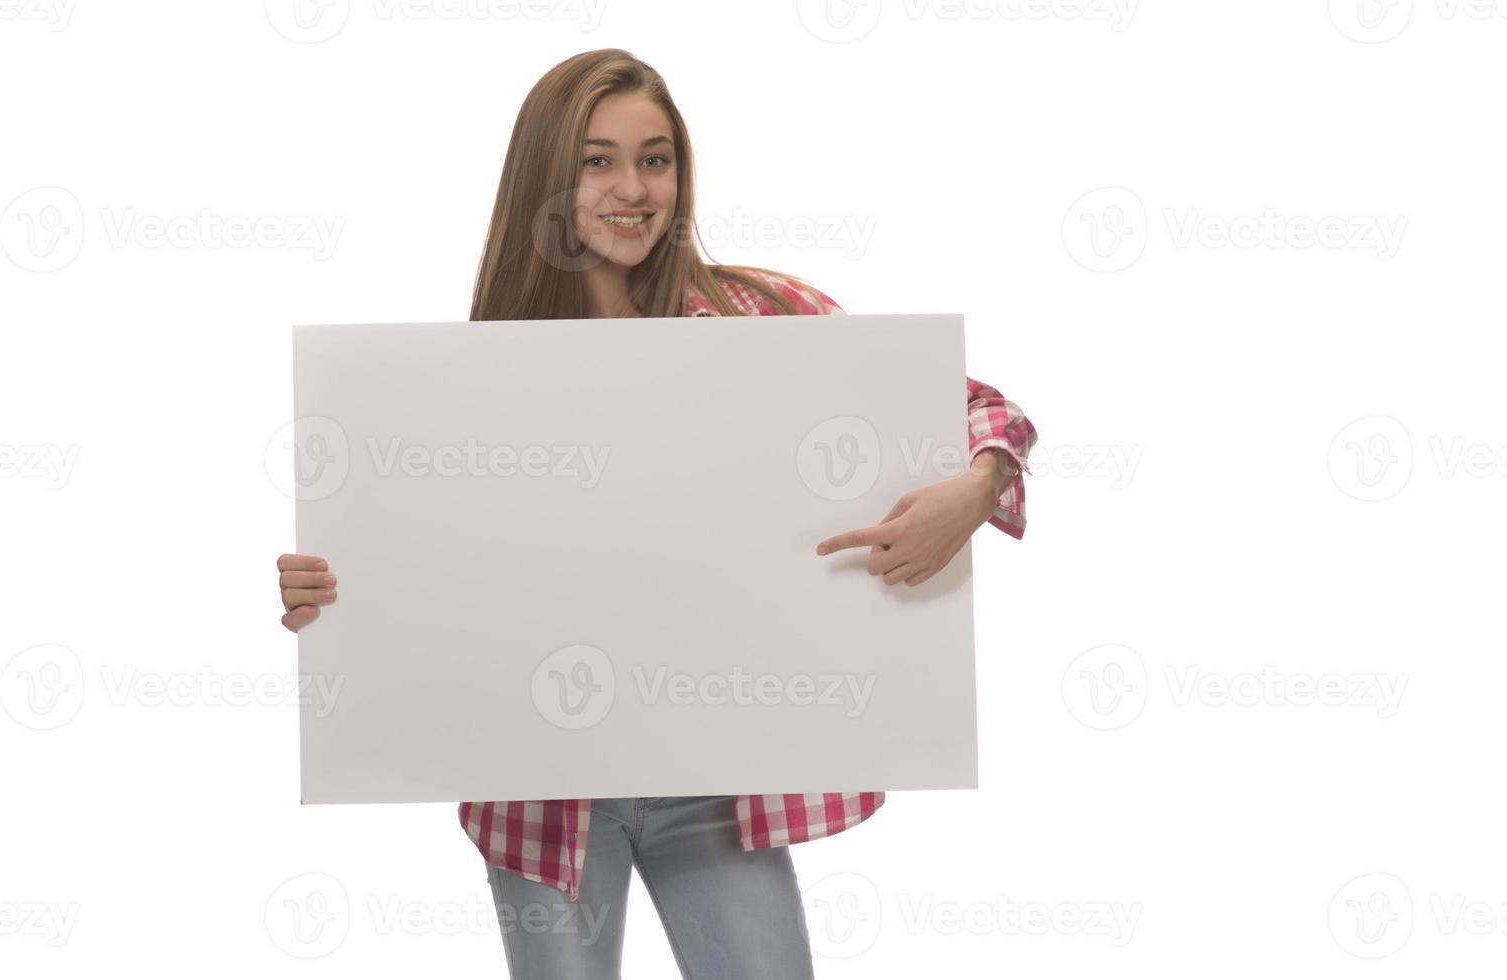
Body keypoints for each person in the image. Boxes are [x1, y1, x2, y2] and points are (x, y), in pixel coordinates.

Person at [276, 48, 1038, 980]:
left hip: (715, 784)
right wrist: (336, 594)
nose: (632, 188)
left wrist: (975, 488)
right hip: (543, 799)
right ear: (547, 181)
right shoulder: (469, 377)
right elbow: (438, 576)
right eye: (597, 161)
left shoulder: (758, 318)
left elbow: (977, 408)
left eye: (656, 157)